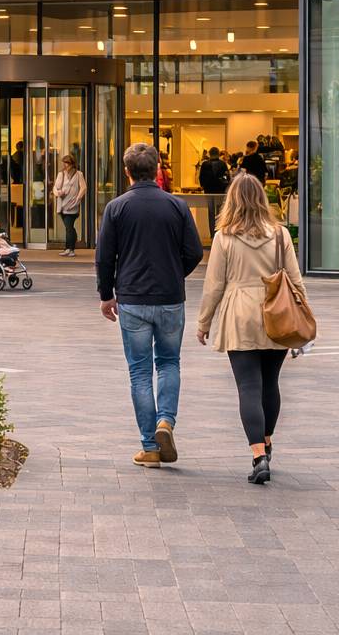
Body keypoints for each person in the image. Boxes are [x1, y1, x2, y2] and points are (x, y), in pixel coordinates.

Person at [97, 143, 203, 469]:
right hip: (170, 298)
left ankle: (150, 447)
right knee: (169, 363)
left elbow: (104, 257)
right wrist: (175, 273)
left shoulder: (116, 208)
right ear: (157, 169)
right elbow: (195, 251)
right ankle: (165, 421)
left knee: (139, 372)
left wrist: (106, 294)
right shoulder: (177, 206)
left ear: (127, 171)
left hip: (132, 300)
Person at [197, 173, 307, 485]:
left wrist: (204, 323)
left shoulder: (224, 237)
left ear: (232, 200)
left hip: (239, 314)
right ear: (262, 200)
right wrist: (305, 323)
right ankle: (268, 442)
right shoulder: (281, 235)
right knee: (271, 383)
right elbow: (295, 280)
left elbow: (215, 285)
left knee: (248, 387)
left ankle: (258, 454)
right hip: (278, 314)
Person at [53, 154, 86, 256]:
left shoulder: (78, 174)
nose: (66, 165)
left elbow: (83, 188)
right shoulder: (61, 174)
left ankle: (70, 249)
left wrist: (77, 199)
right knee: (69, 227)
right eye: (64, 163)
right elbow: (55, 187)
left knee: (69, 227)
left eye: (68, 163)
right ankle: (69, 247)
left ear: (72, 163)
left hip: (72, 205)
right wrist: (57, 193)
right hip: (62, 205)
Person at [199, 147, 230, 233]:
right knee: (220, 211)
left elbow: (201, 177)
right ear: (218, 153)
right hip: (220, 190)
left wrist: (203, 186)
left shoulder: (205, 164)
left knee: (211, 211)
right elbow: (227, 177)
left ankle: (212, 232)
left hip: (208, 190)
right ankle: (219, 231)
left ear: (209, 153)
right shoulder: (223, 164)